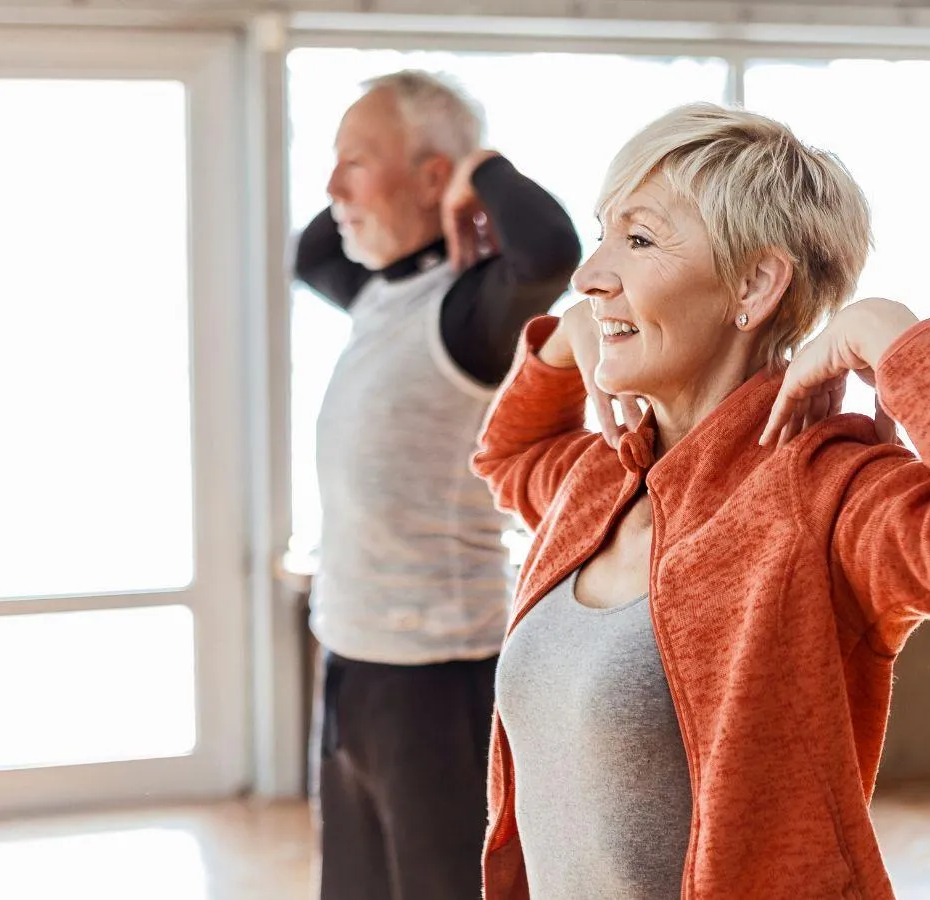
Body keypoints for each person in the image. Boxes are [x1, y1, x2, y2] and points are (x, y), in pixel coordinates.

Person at [471, 102, 930, 899]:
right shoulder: (604, 476)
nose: (589, 274)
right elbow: (507, 455)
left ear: (756, 283)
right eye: (603, 234)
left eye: (637, 240)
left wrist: (894, 338)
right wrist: (568, 339)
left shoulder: (822, 494)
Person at [292, 70, 580, 900]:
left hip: (440, 676)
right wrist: (370, 170)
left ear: (430, 178)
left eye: (356, 161)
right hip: (353, 659)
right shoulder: (380, 293)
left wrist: (475, 165)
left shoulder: (466, 313)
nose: (331, 186)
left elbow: (550, 251)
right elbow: (310, 250)